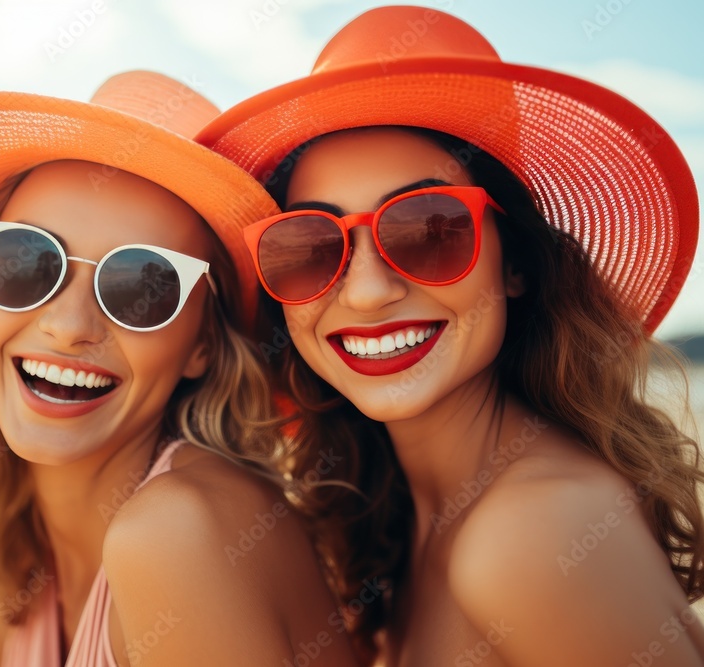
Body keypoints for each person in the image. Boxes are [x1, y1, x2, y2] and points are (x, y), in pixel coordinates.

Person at [198, 6, 704, 665]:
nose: (367, 291)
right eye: (310, 247)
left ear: (516, 262)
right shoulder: (390, 519)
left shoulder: (536, 533)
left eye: (430, 229)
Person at [0, 71, 359, 667]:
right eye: (24, 261)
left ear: (202, 345)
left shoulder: (175, 533)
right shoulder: (19, 555)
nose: (69, 324)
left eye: (143, 285)